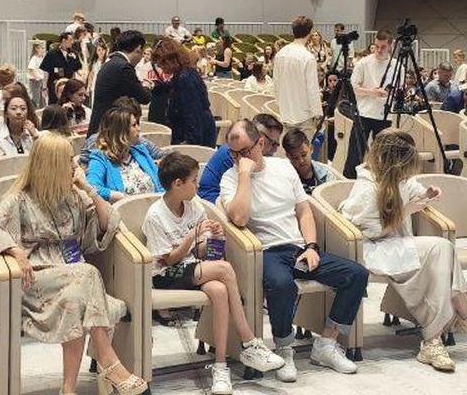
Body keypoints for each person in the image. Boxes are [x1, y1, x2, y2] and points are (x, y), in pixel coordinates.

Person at [0, 135, 147, 395]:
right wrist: (14, 250)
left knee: (75, 301)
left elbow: (109, 221)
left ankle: (68, 390)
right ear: (53, 164)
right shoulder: (20, 199)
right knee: (88, 272)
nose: (74, 165)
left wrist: (88, 188)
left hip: (74, 280)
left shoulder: (74, 196)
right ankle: (110, 363)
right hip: (36, 280)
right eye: (68, 160)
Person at [221, 119, 369, 382]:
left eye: (245, 151)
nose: (239, 159)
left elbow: (304, 211)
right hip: (265, 252)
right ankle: (284, 348)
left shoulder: (283, 168)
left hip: (298, 247)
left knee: (356, 274)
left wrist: (311, 246)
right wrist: (244, 174)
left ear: (261, 143)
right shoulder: (230, 179)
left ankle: (326, 344)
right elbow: (240, 218)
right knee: (282, 285)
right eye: (233, 154)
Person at [143, 152, 284, 394]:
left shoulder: (194, 206)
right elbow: (169, 259)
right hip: (165, 274)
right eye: (193, 181)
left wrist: (214, 238)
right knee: (224, 268)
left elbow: (202, 252)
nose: (197, 186)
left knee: (219, 290)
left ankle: (220, 367)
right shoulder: (155, 215)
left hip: (193, 268)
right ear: (177, 184)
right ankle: (249, 341)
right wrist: (191, 236)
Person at [340, 128, 467, 372]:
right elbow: (368, 233)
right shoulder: (367, 188)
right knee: (441, 249)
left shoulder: (398, 178)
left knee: (443, 251)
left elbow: (413, 188)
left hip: (397, 243)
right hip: (372, 249)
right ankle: (448, 324)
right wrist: (406, 211)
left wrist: (428, 193)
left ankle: (436, 335)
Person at [344, 29, 397, 178]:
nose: (379, 50)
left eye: (383, 47)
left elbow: (398, 90)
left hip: (385, 115)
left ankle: (380, 182)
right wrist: (371, 92)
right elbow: (353, 88)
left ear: (391, 46)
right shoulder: (364, 62)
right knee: (355, 154)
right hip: (363, 113)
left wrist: (390, 93)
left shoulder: (397, 65)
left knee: (383, 155)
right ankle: (348, 182)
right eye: (377, 46)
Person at [198, 114, 283, 204]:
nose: (275, 149)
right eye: (273, 143)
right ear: (259, 138)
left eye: (277, 144)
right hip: (212, 201)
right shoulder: (236, 155)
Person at [86, 107, 163, 201]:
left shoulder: (140, 151)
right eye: (134, 125)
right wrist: (121, 197)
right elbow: (91, 187)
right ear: (120, 131)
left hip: (153, 206)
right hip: (124, 209)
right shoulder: (100, 158)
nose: (139, 129)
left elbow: (159, 183)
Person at [151, 38, 215, 147]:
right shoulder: (185, 73)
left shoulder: (184, 78)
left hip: (193, 135)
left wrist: (189, 143)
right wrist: (156, 86)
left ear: (170, 60)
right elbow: (174, 87)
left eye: (161, 63)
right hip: (195, 129)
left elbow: (192, 113)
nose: (160, 66)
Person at [89, 31, 151, 135]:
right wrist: (147, 86)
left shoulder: (111, 62)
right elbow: (144, 97)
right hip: (109, 129)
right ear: (138, 49)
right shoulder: (124, 68)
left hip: (101, 125)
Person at [272, 16, 323, 134]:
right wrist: (317, 114)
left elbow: (276, 83)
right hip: (304, 116)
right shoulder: (308, 57)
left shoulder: (280, 54)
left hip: (285, 112)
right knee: (304, 146)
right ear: (309, 33)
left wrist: (280, 105)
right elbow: (312, 88)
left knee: (286, 146)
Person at [282, 129, 333, 195]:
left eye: (304, 155)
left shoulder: (325, 174)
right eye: (295, 158)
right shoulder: (285, 179)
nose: (301, 161)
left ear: (311, 149)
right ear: (288, 156)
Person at [0, 94, 38, 159]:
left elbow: (43, 159)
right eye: (13, 108)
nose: (19, 112)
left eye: (23, 109)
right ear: (6, 113)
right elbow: (0, 164)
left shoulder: (33, 133)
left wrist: (35, 137)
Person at [39, 32, 81, 103]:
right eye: (70, 40)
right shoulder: (51, 54)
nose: (72, 42)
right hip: (54, 85)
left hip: (68, 85)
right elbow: (46, 71)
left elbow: (75, 71)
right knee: (54, 103)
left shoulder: (74, 54)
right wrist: (44, 87)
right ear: (64, 41)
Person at [27, 42, 47, 109]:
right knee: (36, 98)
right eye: (42, 48)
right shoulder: (34, 58)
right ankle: (34, 110)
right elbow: (31, 69)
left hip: (40, 80)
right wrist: (37, 77)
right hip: (35, 81)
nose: (43, 50)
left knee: (42, 98)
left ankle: (41, 109)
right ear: (36, 49)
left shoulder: (41, 58)